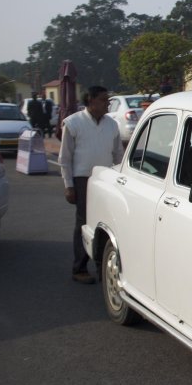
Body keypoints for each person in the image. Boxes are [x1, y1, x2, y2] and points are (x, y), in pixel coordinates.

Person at [57, 86, 124, 284]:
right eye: (103, 100)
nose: (107, 103)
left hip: (106, 178)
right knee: (84, 222)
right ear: (91, 100)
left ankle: (102, 265)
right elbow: (65, 158)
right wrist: (68, 185)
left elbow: (118, 154)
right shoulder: (73, 123)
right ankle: (79, 267)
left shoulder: (112, 124)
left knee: (106, 222)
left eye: (108, 100)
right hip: (83, 179)